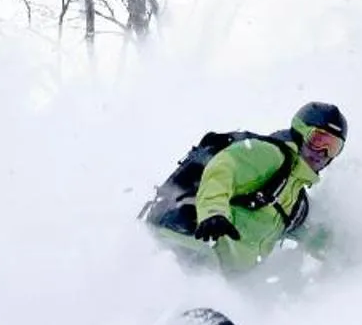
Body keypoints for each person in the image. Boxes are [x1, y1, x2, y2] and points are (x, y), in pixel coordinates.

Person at [144, 102, 347, 272]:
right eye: (318, 140)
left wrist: (352, 256)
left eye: (333, 147)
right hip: (184, 239)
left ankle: (191, 317)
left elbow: (315, 235)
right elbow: (222, 168)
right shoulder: (269, 154)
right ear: (301, 131)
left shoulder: (296, 202)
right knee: (195, 278)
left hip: (218, 273)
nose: (322, 152)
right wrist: (213, 212)